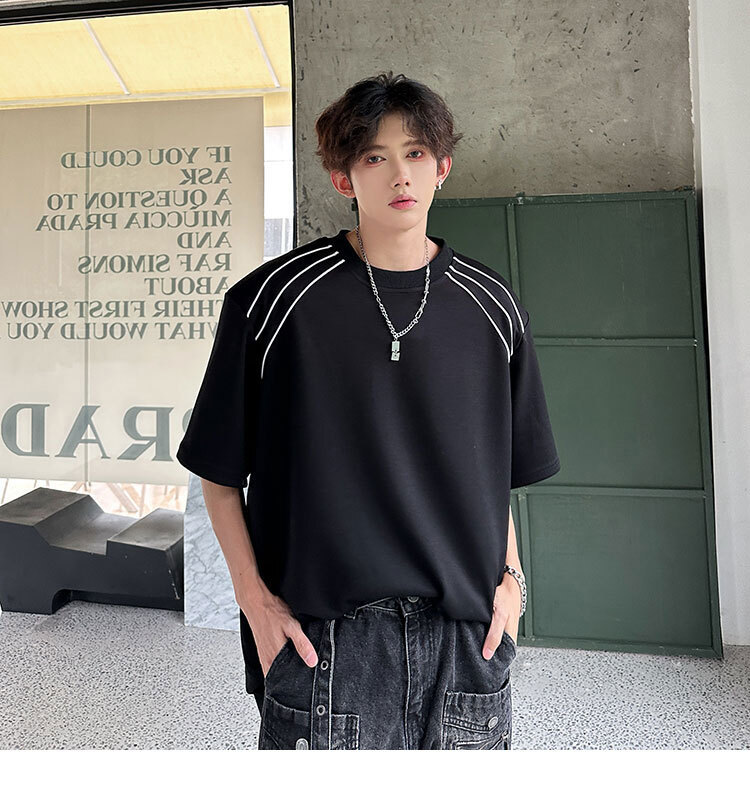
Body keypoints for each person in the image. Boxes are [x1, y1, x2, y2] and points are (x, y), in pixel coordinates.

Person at [176, 71, 560, 750]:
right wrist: (254, 602)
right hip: (324, 642)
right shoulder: (272, 302)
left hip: (464, 637)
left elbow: (495, 471)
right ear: (343, 177)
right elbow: (218, 472)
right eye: (375, 157)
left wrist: (513, 581)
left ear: (442, 167)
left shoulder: (493, 306)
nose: (400, 174)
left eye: (415, 153)